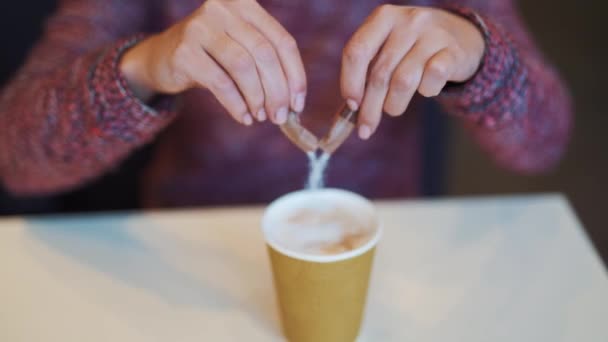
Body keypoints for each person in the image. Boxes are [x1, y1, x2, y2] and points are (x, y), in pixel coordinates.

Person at [0, 0, 571, 208]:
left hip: (386, 252)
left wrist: (477, 54)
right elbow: (16, 161)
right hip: (192, 254)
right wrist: (145, 66)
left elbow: (544, 144)